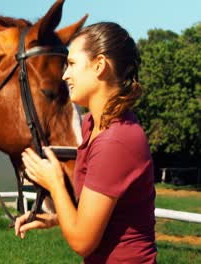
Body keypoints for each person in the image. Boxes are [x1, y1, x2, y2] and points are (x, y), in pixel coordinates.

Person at [15, 22, 157, 263]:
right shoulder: (92, 124)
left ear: (99, 66)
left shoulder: (116, 140)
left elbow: (83, 242)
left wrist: (55, 182)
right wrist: (58, 217)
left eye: (71, 64)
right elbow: (108, 215)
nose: (64, 75)